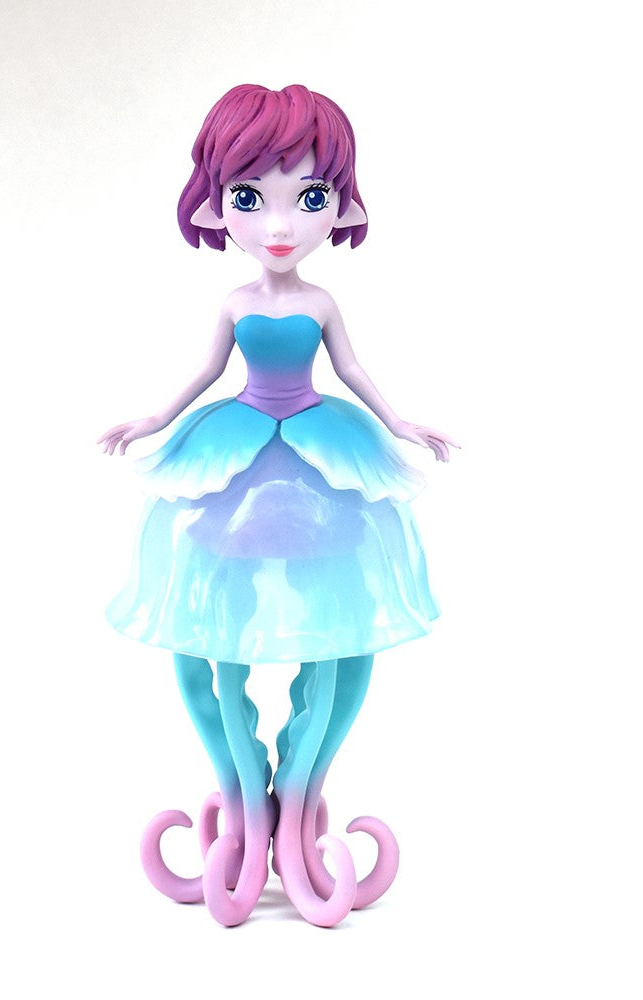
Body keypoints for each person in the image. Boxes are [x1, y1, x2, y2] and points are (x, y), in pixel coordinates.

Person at [98, 84, 458, 927]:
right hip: (235, 447)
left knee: (335, 629)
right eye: (251, 197)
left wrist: (400, 423)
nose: (282, 225)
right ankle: (248, 812)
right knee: (212, 638)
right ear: (217, 206)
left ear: (342, 206)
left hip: (321, 450)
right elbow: (204, 372)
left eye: (312, 197)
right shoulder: (234, 303)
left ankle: (295, 805)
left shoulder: (321, 303)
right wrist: (154, 419)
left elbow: (353, 371)